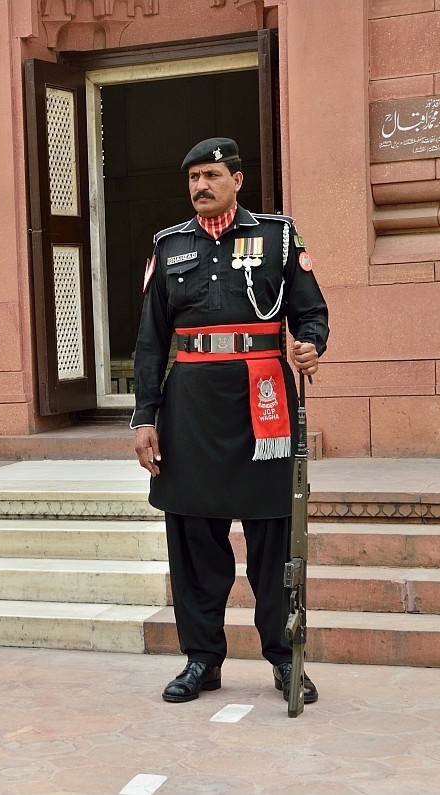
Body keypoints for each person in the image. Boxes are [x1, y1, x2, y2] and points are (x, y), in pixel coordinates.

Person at [131, 138, 328, 704]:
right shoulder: (169, 247)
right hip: (190, 408)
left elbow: (310, 310)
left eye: (212, 175)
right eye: (193, 178)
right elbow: (150, 341)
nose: (200, 187)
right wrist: (145, 418)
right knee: (193, 536)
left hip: (261, 398)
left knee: (273, 534)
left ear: (237, 180)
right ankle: (201, 660)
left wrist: (310, 343)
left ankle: (285, 657)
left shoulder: (276, 236)